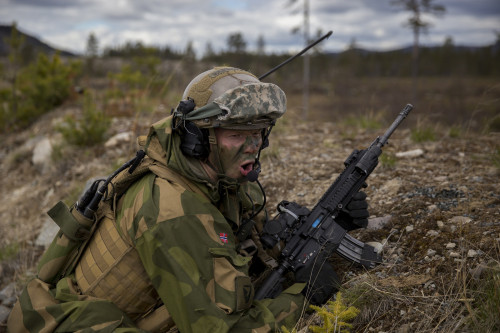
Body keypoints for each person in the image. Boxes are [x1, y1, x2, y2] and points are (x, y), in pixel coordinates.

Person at [8, 66, 369, 332]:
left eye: (260, 133)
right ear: (198, 136)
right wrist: (301, 298)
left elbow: (247, 247)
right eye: (237, 134)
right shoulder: (172, 208)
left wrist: (332, 225)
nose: (253, 146)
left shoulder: (220, 178)